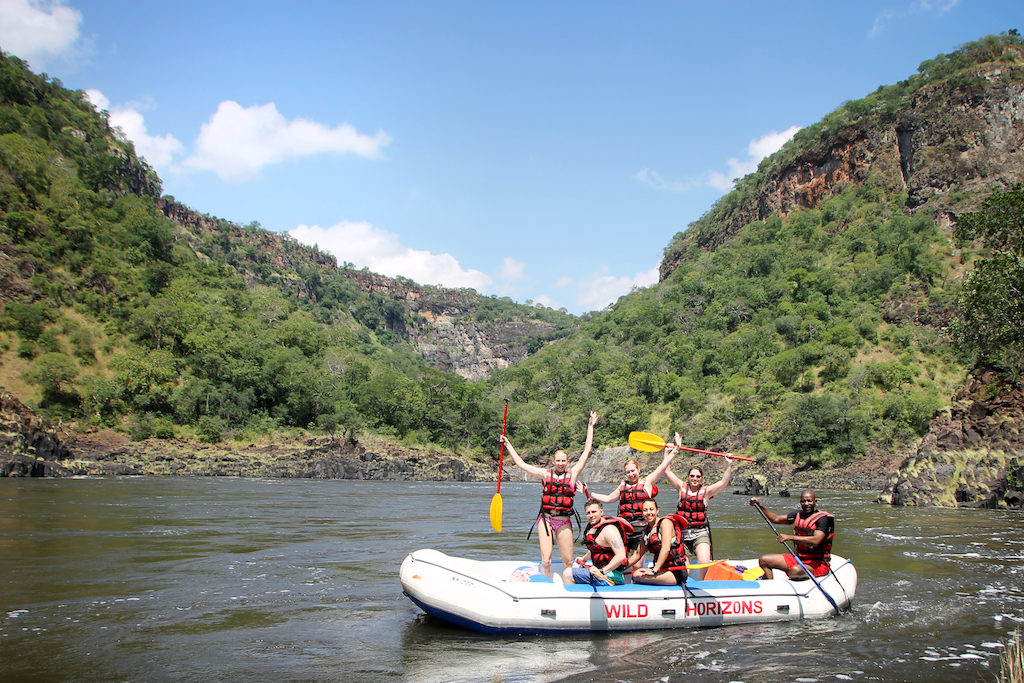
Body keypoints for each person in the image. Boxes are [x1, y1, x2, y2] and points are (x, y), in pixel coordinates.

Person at [501, 410, 598, 578]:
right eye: (558, 460)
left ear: (567, 462)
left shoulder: (572, 474)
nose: (560, 463)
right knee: (546, 561)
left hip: (564, 521)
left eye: (563, 460)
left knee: (568, 562)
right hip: (545, 520)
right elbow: (522, 464)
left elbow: (587, 451)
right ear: (554, 461)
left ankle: (570, 587)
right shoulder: (545, 475)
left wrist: (590, 426)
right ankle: (545, 587)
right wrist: (508, 444)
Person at [589, 437, 681, 553]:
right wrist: (589, 493)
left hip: (641, 529)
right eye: (628, 472)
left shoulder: (647, 482)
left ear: (638, 470)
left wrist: (674, 450)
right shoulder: (622, 486)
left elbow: (662, 467)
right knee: (619, 558)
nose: (631, 474)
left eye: (633, 471)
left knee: (636, 564)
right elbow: (608, 498)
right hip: (625, 528)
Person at [664, 438, 737, 573]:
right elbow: (667, 471)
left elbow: (723, 482)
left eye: (698, 476)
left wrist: (729, 464)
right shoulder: (681, 487)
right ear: (688, 477)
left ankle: (702, 585)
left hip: (700, 532)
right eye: (692, 476)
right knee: (686, 568)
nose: (695, 479)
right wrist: (667, 452)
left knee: (704, 562)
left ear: (701, 478)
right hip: (683, 533)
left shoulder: (706, 492)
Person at [749, 490, 835, 580]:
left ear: (815, 502)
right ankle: (769, 585)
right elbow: (775, 519)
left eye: (809, 501)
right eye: (803, 501)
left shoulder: (823, 519)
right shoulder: (798, 514)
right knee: (764, 560)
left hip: (818, 564)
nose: (806, 503)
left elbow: (816, 540)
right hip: (799, 558)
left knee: (795, 571)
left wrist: (790, 537)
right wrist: (759, 506)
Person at [563, 499, 632, 586]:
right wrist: (583, 559)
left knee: (567, 573)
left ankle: (576, 598)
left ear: (601, 512)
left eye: (594, 512)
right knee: (575, 567)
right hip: (601, 572)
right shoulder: (594, 528)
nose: (591, 515)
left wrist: (603, 571)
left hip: (612, 576)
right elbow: (596, 549)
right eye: (588, 513)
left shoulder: (609, 530)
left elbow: (621, 555)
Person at [627, 499, 690, 585]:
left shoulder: (665, 523)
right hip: (662, 569)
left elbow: (666, 549)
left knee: (637, 576)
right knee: (637, 572)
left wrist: (654, 570)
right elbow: (638, 554)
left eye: (651, 509)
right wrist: (621, 568)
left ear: (657, 510)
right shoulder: (647, 530)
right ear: (642, 513)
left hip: (676, 571)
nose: (648, 513)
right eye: (645, 510)